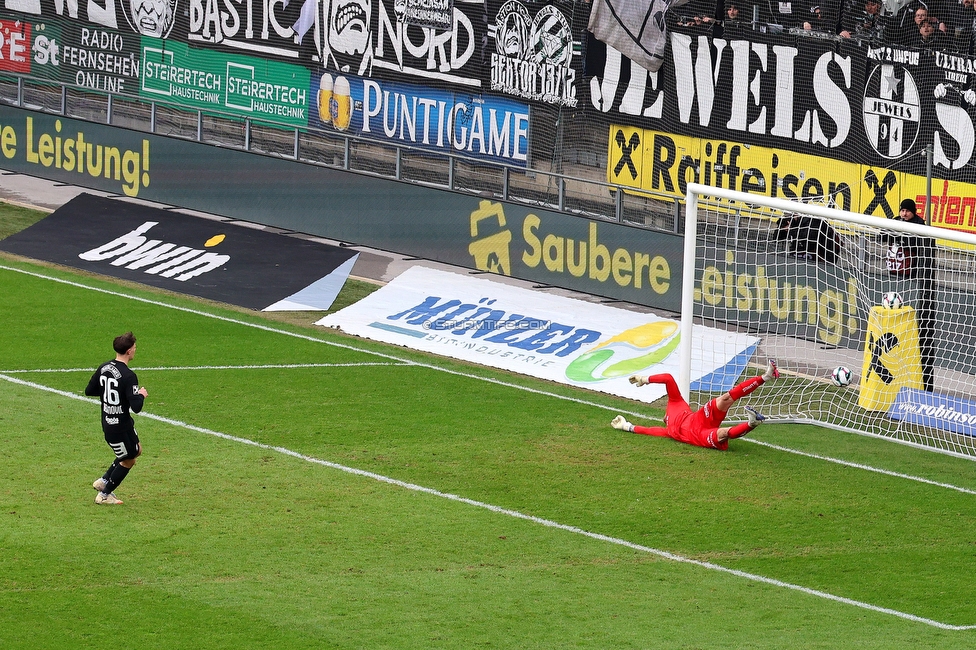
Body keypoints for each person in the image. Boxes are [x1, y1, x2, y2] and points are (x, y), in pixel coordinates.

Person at [610, 360, 779, 451]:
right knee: (722, 434)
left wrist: (645, 379)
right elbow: (649, 431)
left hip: (699, 418)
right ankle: (752, 423)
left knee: (725, 398)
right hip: (699, 435)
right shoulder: (670, 431)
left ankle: (765, 377)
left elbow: (668, 378)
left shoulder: (675, 403)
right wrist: (627, 426)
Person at [84, 332, 148, 505]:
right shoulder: (129, 376)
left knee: (137, 450)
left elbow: (89, 390)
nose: (135, 350)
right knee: (129, 459)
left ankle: (104, 480)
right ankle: (104, 495)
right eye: (134, 347)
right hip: (118, 426)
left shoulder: (104, 367)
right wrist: (141, 394)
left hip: (113, 422)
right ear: (128, 351)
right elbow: (137, 407)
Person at [882, 199, 937, 390]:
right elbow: (883, 234)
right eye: (902, 210)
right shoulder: (896, 220)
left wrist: (901, 235)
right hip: (895, 273)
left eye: (907, 211)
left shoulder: (921, 225)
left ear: (914, 211)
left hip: (915, 275)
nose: (903, 214)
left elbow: (915, 243)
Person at [776, 213, 841, 263]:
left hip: (824, 256)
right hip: (807, 254)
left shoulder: (814, 220)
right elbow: (775, 238)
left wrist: (791, 230)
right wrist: (781, 228)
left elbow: (809, 236)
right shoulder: (794, 223)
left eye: (791, 216)